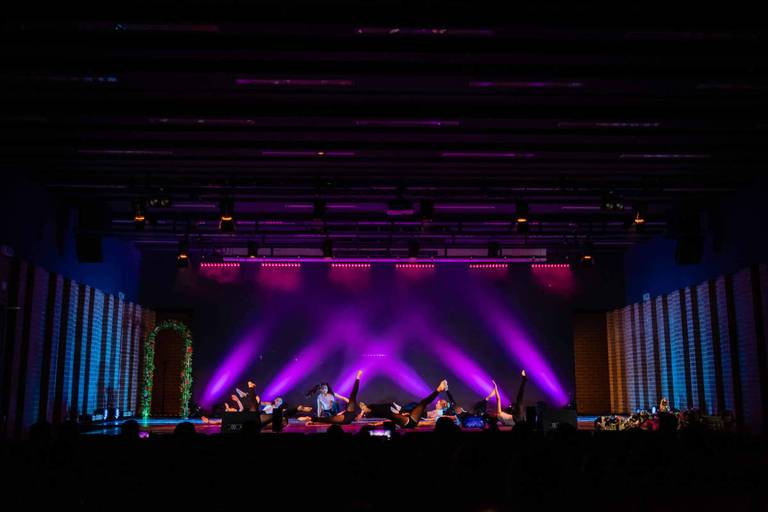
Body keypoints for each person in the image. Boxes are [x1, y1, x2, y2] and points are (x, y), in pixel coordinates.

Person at [359, 379, 448, 428]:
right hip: (410, 419)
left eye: (438, 403)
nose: (436, 404)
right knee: (390, 408)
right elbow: (387, 420)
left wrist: (375, 425)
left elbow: (387, 420)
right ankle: (369, 409)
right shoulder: (437, 413)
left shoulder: (439, 414)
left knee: (390, 413)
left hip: (411, 421)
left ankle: (438, 389)